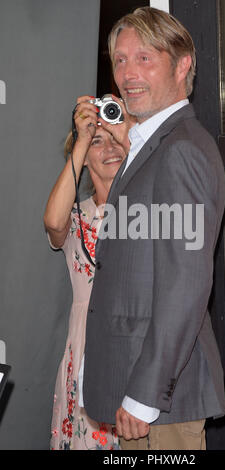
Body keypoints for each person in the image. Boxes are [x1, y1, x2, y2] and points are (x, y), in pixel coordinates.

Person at [82, 7, 225, 450]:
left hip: (161, 406)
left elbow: (185, 285)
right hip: (141, 396)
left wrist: (145, 397)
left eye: (145, 58)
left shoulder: (181, 151)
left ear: (183, 65)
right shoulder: (149, 146)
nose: (128, 73)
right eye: (121, 60)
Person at [44, 94, 134, 450]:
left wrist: (123, 127)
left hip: (133, 349)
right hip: (84, 354)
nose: (109, 148)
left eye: (115, 138)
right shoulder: (76, 215)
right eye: (98, 141)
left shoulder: (152, 211)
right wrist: (82, 138)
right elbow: (52, 222)